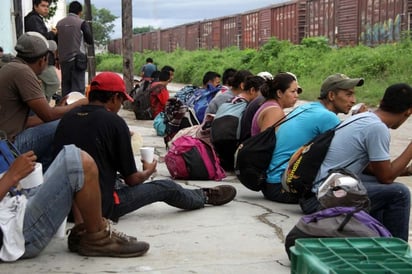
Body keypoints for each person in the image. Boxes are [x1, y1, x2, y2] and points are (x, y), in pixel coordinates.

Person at [52, 72, 237, 224]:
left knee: (114, 178)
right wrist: (148, 171)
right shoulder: (114, 122)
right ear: (115, 98)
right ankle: (202, 196)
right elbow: (133, 180)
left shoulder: (68, 118)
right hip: (98, 207)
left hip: (65, 205)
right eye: (121, 100)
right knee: (164, 187)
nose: (120, 106)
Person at [0, 145, 150, 261]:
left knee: (69, 152)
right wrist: (11, 176)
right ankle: (98, 238)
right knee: (77, 162)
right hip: (17, 235)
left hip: (13, 206)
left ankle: (84, 230)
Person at [310, 83, 412, 241]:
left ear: (382, 101)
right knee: (399, 193)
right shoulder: (377, 128)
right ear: (408, 111)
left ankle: (379, 238)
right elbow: (386, 177)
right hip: (326, 195)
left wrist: (406, 170)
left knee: (383, 188)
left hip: (321, 185)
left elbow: (375, 170)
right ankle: (398, 250)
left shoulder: (364, 117)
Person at [264, 73, 364, 206]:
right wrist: (362, 121)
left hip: (270, 183)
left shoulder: (308, 107)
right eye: (348, 94)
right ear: (331, 96)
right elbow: (346, 156)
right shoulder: (328, 117)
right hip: (283, 187)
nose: (353, 100)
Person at [0, 32, 87, 171]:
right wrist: (79, 104)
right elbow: (48, 116)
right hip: (9, 146)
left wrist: (58, 109)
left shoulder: (12, 66)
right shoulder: (23, 72)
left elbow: (30, 121)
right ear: (43, 60)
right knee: (65, 124)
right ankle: (49, 172)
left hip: (7, 138)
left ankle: (43, 170)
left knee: (56, 121)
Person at [24, 0, 60, 101]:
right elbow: (40, 38)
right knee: (54, 83)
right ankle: (42, 102)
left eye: (47, 6)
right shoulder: (33, 19)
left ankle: (41, 108)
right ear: (35, 6)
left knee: (42, 86)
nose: (46, 9)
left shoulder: (35, 18)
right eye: (43, 6)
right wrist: (52, 33)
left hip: (38, 58)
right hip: (40, 58)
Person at [56, 1, 92, 96]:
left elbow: (57, 41)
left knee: (66, 88)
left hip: (64, 61)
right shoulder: (81, 23)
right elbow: (89, 40)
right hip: (78, 61)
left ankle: (65, 109)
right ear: (80, 12)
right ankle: (76, 110)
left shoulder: (59, 24)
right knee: (78, 90)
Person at [250, 72, 301, 136]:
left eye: (297, 91)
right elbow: (266, 142)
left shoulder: (270, 105)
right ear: (279, 93)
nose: (296, 95)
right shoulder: (274, 111)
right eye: (293, 91)